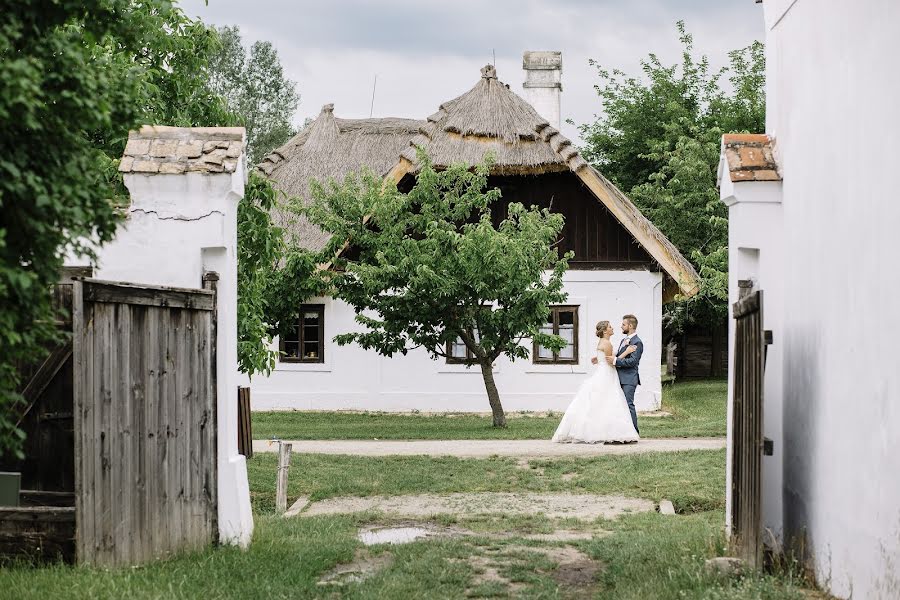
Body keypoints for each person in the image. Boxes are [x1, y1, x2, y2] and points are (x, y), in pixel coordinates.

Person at [551, 320, 640, 444]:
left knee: (601, 403)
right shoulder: (607, 343)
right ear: (605, 331)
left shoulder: (603, 342)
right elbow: (611, 361)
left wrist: (599, 359)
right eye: (610, 326)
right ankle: (610, 432)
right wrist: (627, 351)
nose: (612, 328)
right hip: (607, 374)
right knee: (609, 402)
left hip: (604, 372)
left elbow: (606, 357)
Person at [603, 314, 643, 433]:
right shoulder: (623, 340)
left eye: (623, 324)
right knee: (619, 406)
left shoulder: (637, 342)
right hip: (618, 378)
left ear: (630, 326)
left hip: (629, 379)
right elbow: (618, 355)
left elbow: (632, 361)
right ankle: (622, 432)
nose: (621, 326)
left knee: (628, 405)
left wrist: (615, 361)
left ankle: (634, 433)